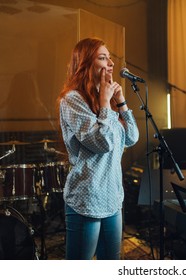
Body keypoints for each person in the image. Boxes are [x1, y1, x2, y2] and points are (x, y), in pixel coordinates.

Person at [57, 37, 139, 260]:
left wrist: (120, 102)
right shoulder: (72, 99)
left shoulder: (109, 99)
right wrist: (104, 104)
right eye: (103, 58)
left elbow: (131, 137)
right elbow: (102, 144)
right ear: (85, 64)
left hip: (112, 197)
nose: (110, 63)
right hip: (87, 197)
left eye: (110, 57)